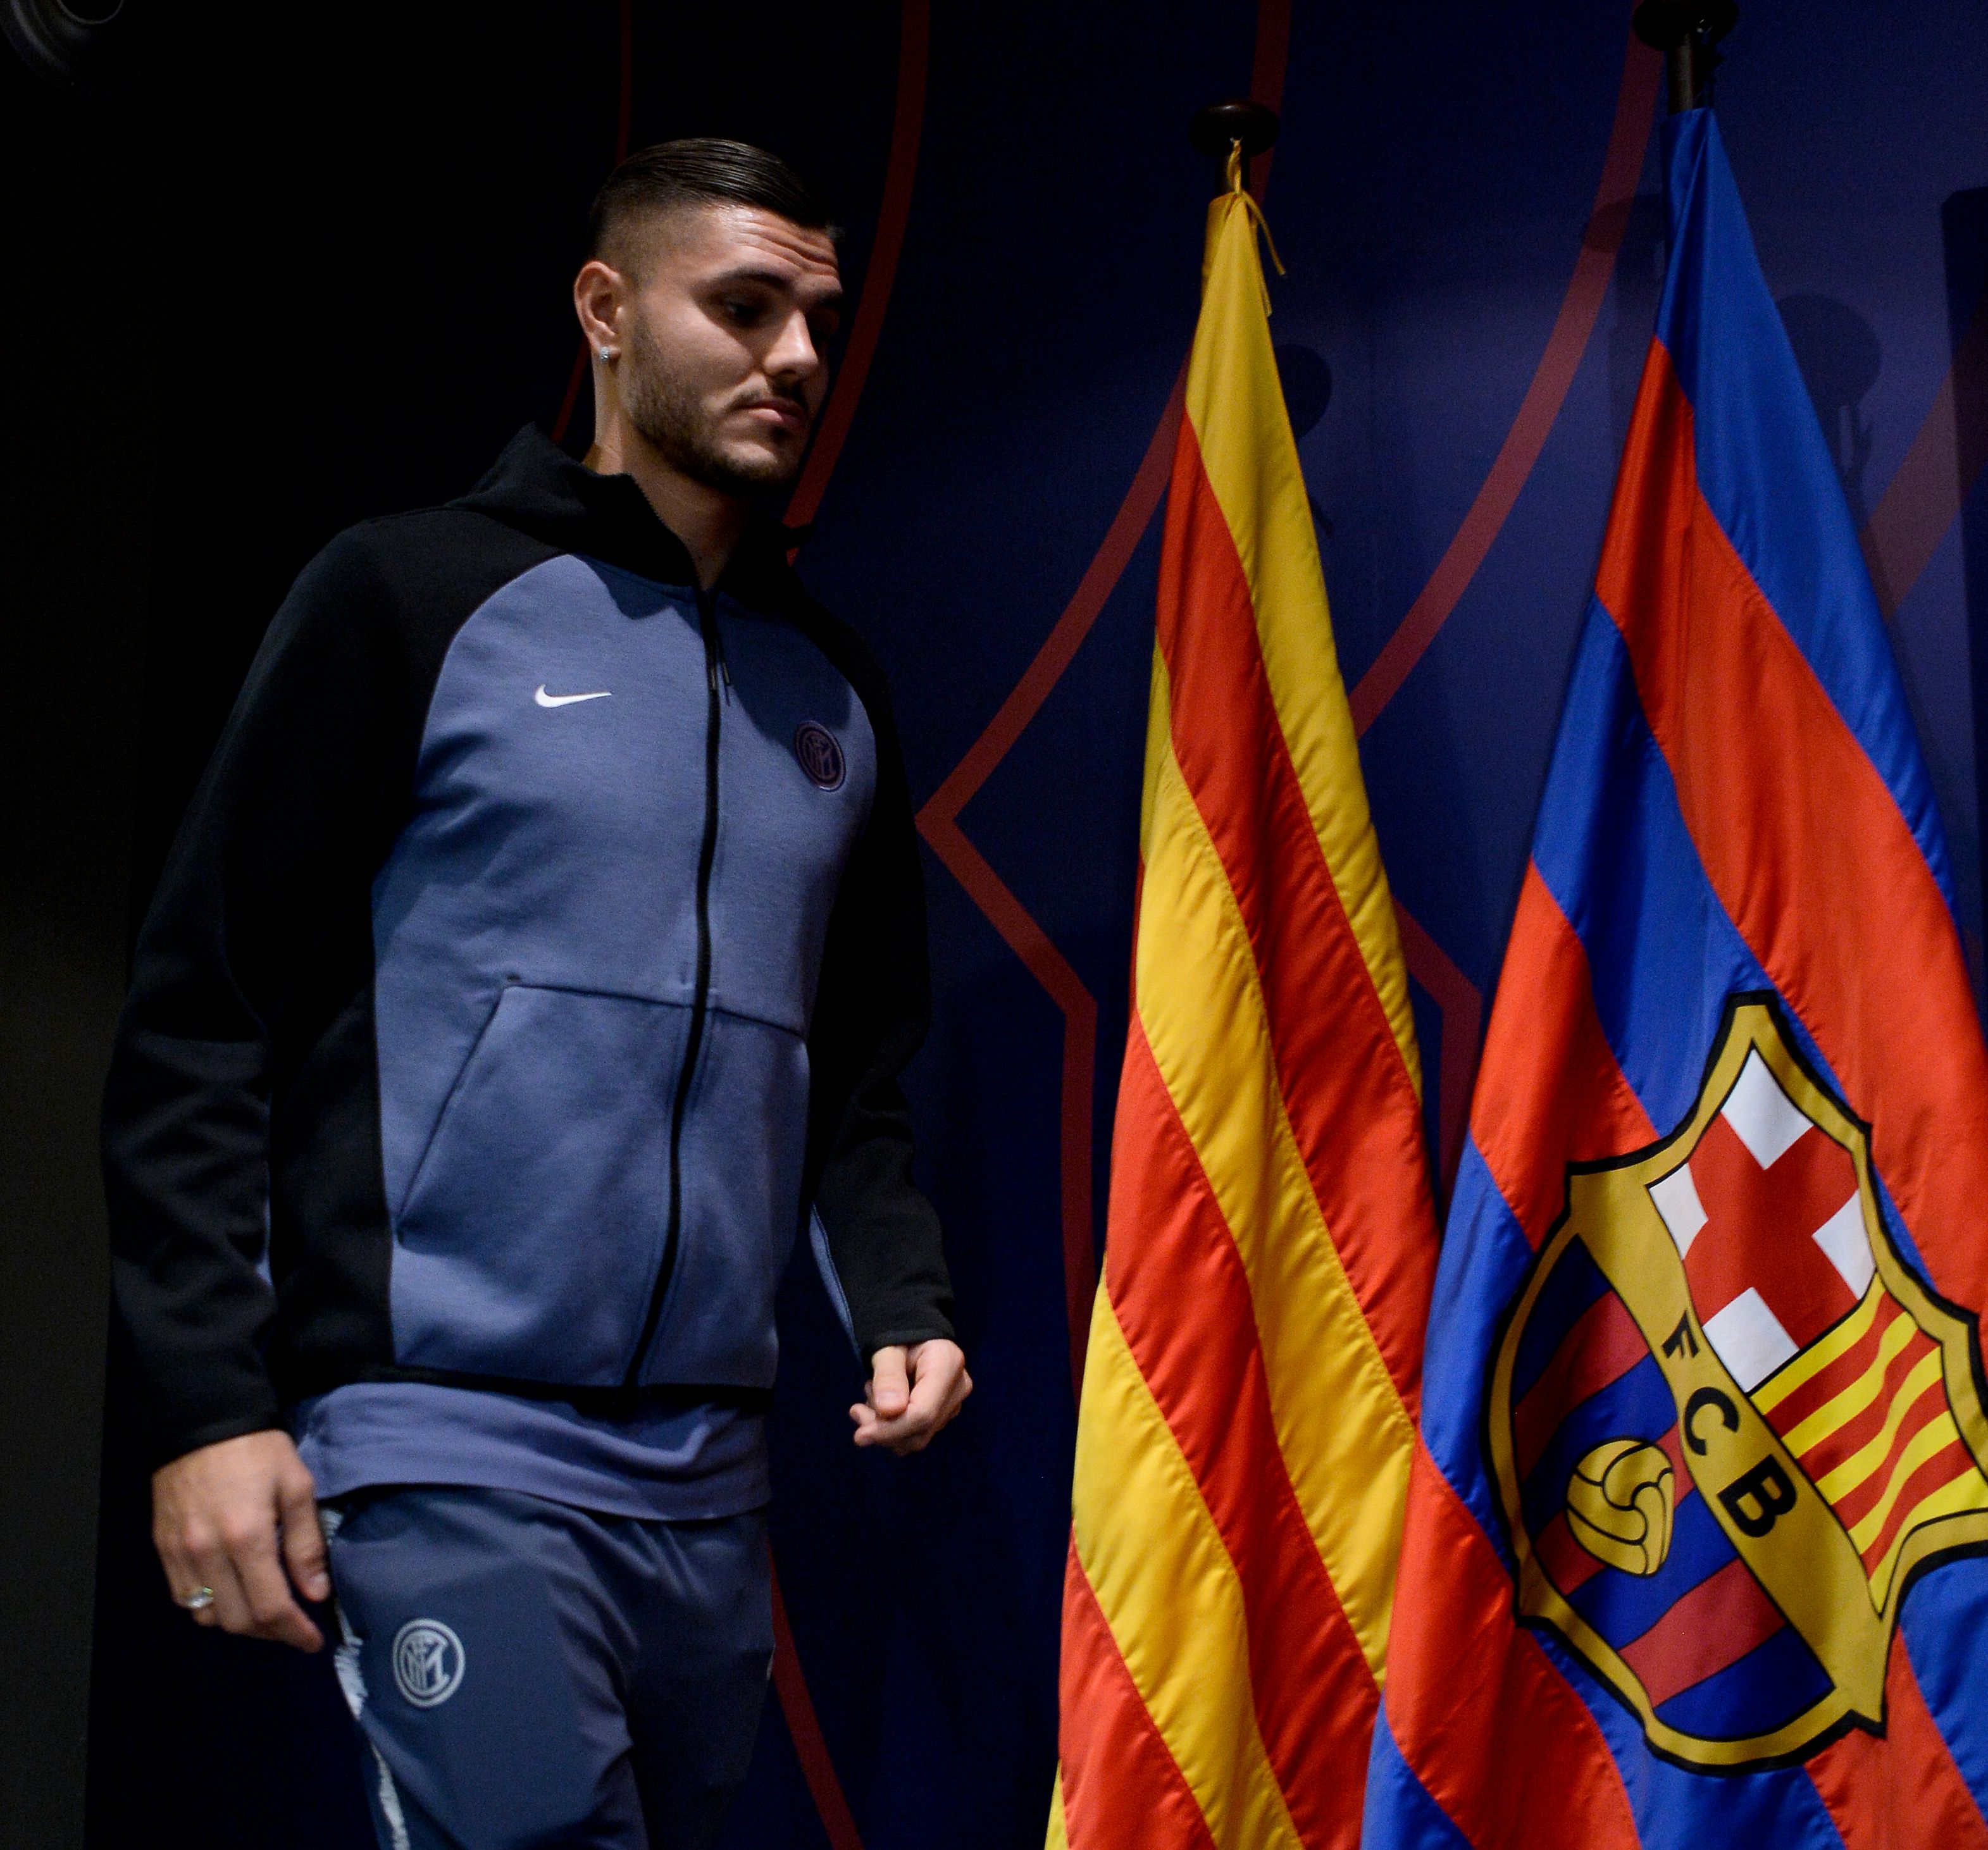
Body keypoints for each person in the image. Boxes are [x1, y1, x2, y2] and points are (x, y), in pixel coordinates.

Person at [102, 137, 971, 1850]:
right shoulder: (412, 597)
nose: (795, 356)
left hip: (712, 1475)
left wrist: (901, 1294)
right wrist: (211, 1407)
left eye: (817, 317)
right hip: (442, 1435)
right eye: (740, 308)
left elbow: (856, 1065)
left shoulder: (836, 692)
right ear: (605, 310)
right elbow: (200, 1011)